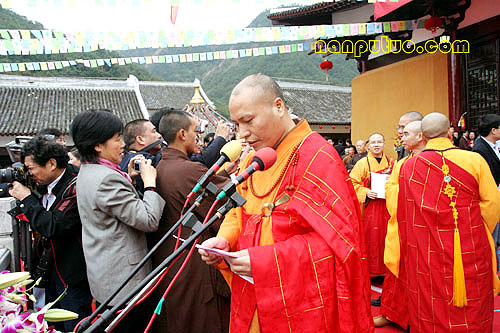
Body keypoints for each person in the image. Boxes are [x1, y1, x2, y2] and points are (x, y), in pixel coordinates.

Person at [199, 74, 373, 332]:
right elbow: (239, 212)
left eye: (248, 121)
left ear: (278, 106)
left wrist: (267, 261)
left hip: (301, 299)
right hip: (251, 287)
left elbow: (339, 243)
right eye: (236, 124)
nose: (242, 134)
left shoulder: (317, 157)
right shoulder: (253, 161)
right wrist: (224, 238)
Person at [398, 112, 500, 331]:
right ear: (449, 132)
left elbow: (405, 214)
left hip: (426, 249)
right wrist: (475, 228)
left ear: (423, 136)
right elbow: (492, 205)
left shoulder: (409, 167)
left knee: (431, 300)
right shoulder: (474, 160)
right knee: (474, 299)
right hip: (470, 244)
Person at [70, 110, 165, 332]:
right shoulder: (106, 179)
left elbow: (112, 210)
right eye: (117, 138)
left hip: (105, 276)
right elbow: (148, 220)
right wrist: (149, 184)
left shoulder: (88, 171)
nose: (123, 144)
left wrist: (128, 179)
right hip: (124, 281)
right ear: (97, 146)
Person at [150, 110, 232, 333]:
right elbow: (222, 204)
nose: (198, 137)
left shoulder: (162, 166)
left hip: (170, 256)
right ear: (182, 134)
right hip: (194, 262)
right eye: (195, 132)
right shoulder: (189, 169)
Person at [8, 137, 91, 331]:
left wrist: (27, 198)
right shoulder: (46, 184)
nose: (29, 174)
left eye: (30, 168)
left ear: (52, 164)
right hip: (50, 269)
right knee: (51, 324)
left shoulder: (76, 185)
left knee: (74, 324)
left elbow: (53, 226)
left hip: (73, 273)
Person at [373, 120, 426, 328]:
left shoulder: (431, 160)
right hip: (401, 225)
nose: (400, 134)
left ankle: (415, 317)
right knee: (397, 272)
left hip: (422, 228)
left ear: (421, 135)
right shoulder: (403, 162)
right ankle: (392, 313)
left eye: (404, 130)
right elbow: (392, 188)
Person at [350, 133, 393, 277]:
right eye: (373, 142)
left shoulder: (391, 162)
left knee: (387, 236)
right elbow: (352, 183)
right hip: (370, 207)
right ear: (368, 146)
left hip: (387, 206)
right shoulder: (363, 163)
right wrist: (365, 192)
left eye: (379, 142)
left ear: (384, 144)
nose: (376, 145)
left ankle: (386, 270)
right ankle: (371, 271)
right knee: (372, 237)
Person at [149, 108, 232, 168]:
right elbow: (202, 163)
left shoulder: (166, 153)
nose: (195, 137)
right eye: (193, 130)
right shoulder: (165, 157)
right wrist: (220, 138)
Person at [473, 114, 500, 269]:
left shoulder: (491, 146)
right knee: (491, 238)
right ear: (493, 130)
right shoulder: (480, 149)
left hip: (495, 194)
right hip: (490, 198)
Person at [119, 119, 164, 194]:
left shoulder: (123, 159)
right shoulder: (142, 159)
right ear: (140, 139)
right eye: (154, 132)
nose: (159, 136)